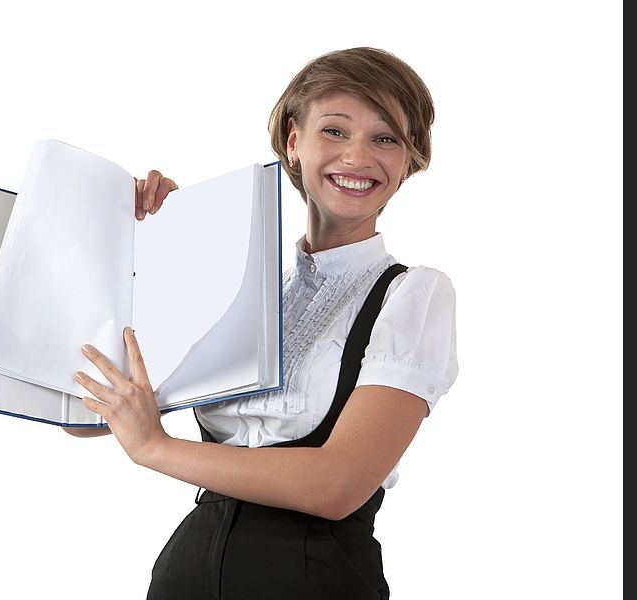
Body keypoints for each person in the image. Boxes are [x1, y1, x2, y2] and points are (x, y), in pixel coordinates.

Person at [64, 47, 458, 599]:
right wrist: (144, 250)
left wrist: (155, 448)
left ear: (408, 160)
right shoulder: (242, 282)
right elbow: (85, 419)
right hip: (183, 579)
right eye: (336, 131)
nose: (358, 156)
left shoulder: (413, 294)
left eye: (386, 138)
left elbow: (337, 485)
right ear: (294, 142)